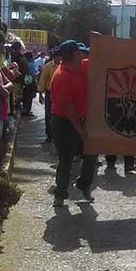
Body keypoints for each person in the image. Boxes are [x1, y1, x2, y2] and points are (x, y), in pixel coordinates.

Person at [50, 40, 97, 206]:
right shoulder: (61, 76)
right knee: (66, 160)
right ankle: (60, 194)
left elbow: (101, 58)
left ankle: (83, 184)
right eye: (79, 52)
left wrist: (99, 42)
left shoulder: (81, 67)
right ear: (74, 55)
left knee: (92, 152)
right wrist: (80, 130)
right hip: (64, 122)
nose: (82, 54)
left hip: (81, 118)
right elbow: (69, 109)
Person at [38, 47, 61, 143]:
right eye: (58, 56)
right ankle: (49, 134)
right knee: (48, 114)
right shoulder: (48, 66)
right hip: (50, 93)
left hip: (60, 94)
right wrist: (40, 94)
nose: (60, 58)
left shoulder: (63, 66)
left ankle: (58, 135)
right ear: (54, 57)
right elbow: (43, 80)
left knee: (59, 115)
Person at [21, 51, 38, 116]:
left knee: (26, 96)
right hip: (30, 82)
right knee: (29, 97)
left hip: (26, 82)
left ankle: (26, 109)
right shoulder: (31, 64)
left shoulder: (27, 64)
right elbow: (33, 74)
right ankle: (27, 111)